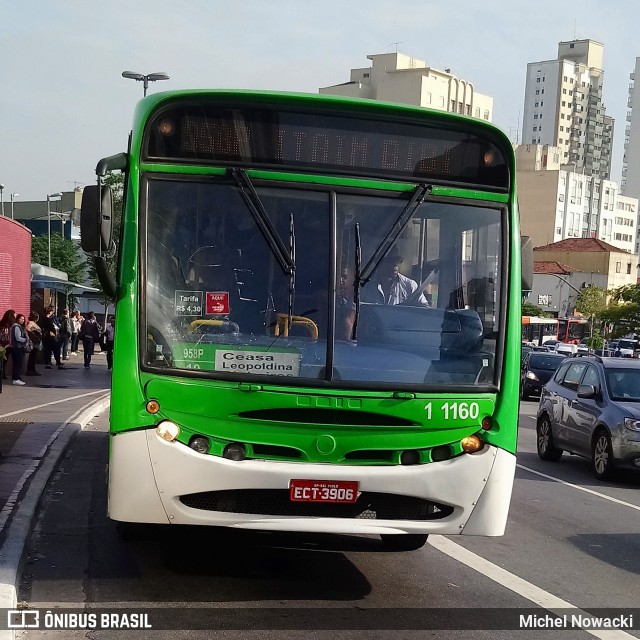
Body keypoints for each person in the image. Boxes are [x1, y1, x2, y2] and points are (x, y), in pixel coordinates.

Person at [363, 248, 429, 306]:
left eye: (398, 260)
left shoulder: (410, 286)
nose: (395, 264)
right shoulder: (365, 287)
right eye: (390, 260)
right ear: (378, 262)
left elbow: (424, 309)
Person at [10, 313, 28, 385]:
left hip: (16, 347)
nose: (22, 320)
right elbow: (18, 338)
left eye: (23, 319)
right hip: (17, 347)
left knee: (16, 363)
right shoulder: (16, 327)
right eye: (21, 319)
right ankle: (16, 378)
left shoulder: (17, 326)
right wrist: (25, 339)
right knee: (18, 363)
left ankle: (16, 377)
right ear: (17, 319)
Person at [0, 309, 16, 380]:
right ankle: (2, 374)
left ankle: (3, 374)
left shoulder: (2, 323)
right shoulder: (10, 325)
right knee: (4, 360)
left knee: (3, 360)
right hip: (7, 345)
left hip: (4, 345)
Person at [26, 312, 43, 376]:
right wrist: (33, 334)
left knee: (33, 356)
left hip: (36, 342)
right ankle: (30, 370)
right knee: (32, 357)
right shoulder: (30, 323)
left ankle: (32, 369)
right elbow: (27, 329)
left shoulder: (33, 323)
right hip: (34, 342)